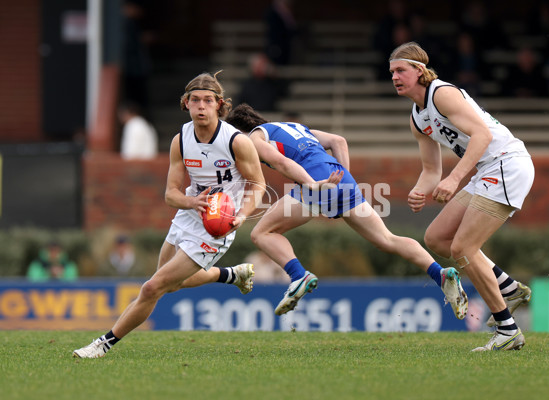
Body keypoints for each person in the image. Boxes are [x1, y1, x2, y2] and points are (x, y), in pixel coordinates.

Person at [73, 71, 267, 358]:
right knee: (171, 285)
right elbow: (170, 194)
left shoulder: (236, 141)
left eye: (208, 101)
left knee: (153, 287)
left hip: (218, 225)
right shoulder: (181, 139)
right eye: (195, 100)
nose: (201, 106)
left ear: (219, 105)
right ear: (186, 103)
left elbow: (258, 183)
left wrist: (241, 214)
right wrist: (192, 203)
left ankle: (103, 344)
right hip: (189, 212)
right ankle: (232, 275)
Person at [224, 103, 468, 318]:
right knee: (388, 239)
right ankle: (440, 273)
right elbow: (338, 141)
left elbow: (281, 162)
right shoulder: (292, 127)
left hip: (317, 181)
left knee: (261, 233)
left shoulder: (254, 139)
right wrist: (343, 179)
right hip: (343, 180)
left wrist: (313, 184)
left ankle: (298, 276)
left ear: (238, 132)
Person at [389, 42, 535, 351]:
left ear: (418, 71)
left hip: (507, 163)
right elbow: (431, 170)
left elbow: (482, 135)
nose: (395, 77)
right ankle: (509, 289)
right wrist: (419, 190)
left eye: (401, 70)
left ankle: (508, 330)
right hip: (487, 170)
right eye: (391, 72)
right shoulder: (418, 118)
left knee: (464, 246)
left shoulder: (441, 93)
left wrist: (455, 179)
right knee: (437, 238)